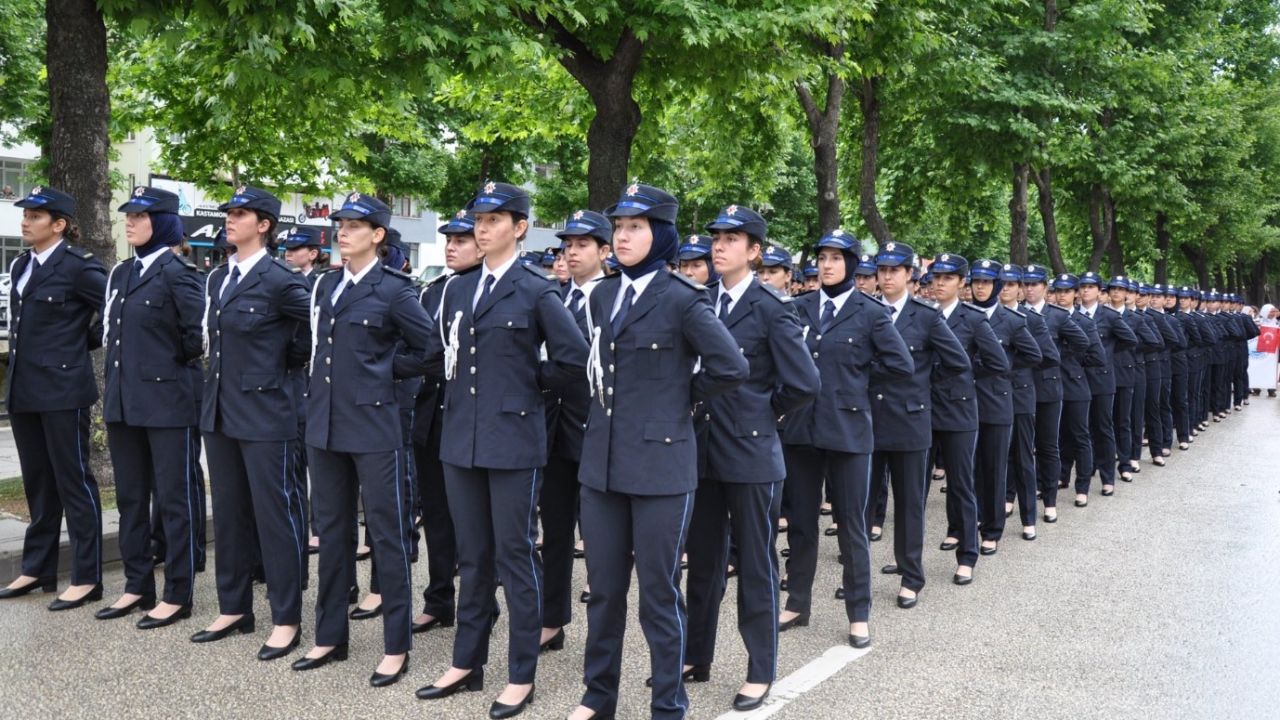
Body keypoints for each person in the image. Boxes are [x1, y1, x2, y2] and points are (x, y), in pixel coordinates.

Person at [566, 183, 747, 720]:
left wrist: (678, 400)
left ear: (660, 235)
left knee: (658, 595)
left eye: (636, 227)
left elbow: (731, 368)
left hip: (661, 468)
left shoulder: (683, 299)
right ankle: (598, 697)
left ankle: (668, 702)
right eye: (618, 227)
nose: (622, 236)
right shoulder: (601, 295)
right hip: (601, 464)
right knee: (602, 593)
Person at [416, 182, 587, 719]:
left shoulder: (536, 290)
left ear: (519, 227)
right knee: (473, 556)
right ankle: (467, 662)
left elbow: (573, 359)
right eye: (478, 220)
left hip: (513, 441)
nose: (482, 228)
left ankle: (520, 674)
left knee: (515, 557)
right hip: (461, 439)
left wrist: (529, 383)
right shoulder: (461, 289)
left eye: (494, 220)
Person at [291, 192, 434, 687]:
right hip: (326, 426)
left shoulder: (395, 290)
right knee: (331, 535)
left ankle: (397, 645)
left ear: (377, 235)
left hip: (375, 428)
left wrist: (384, 370)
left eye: (355, 225)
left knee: (387, 534)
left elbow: (431, 350)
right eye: (340, 224)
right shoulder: (326, 285)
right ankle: (330, 636)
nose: (343, 231)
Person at [683, 205, 818, 711]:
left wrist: (764, 416)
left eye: (732, 239)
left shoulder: (771, 306)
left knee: (757, 565)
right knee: (704, 563)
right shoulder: (699, 301)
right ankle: (697, 657)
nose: (719, 246)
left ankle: (761, 669)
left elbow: (804, 383)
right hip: (702, 450)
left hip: (752, 453)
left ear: (754, 251)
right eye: (716, 238)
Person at [191, 185, 312, 661]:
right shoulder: (219, 278)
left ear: (263, 224)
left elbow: (312, 334)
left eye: (240, 214)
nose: (230, 220)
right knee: (229, 513)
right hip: (220, 411)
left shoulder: (282, 279)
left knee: (274, 517)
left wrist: (281, 370)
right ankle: (234, 606)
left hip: (266, 412)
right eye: (229, 213)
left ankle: (286, 618)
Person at [777, 229, 912, 644]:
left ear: (852, 265)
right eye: (823, 257)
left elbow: (901, 364)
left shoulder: (870, 313)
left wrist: (857, 387)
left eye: (837, 258)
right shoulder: (798, 308)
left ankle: (858, 611)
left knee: (852, 524)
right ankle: (797, 601)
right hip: (801, 430)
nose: (827, 264)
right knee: (800, 522)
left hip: (849, 431)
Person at [94, 186, 204, 628]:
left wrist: (165, 368)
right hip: (124, 403)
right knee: (131, 500)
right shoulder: (121, 274)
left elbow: (195, 337)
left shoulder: (179, 273)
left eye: (140, 216)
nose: (130, 222)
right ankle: (138, 585)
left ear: (162, 223)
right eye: (129, 216)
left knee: (173, 502)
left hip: (167, 403)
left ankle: (178, 593)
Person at [0, 186, 107, 608]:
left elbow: (113, 311)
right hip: (25, 389)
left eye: (35, 215)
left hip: (64, 390)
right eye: (25, 213)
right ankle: (38, 568)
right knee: (39, 485)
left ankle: (86, 576)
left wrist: (79, 345)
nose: (25, 220)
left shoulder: (79, 266)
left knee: (74, 483)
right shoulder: (23, 263)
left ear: (59, 224)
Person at [868, 241, 968, 607]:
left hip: (910, 422)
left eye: (895, 270)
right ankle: (858, 577)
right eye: (882, 270)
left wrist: (922, 386)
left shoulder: (925, 316)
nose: (887, 276)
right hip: (870, 420)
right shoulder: (866, 310)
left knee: (909, 503)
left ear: (910, 275)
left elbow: (958, 361)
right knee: (863, 504)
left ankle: (912, 575)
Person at [539, 208, 612, 656]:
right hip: (554, 429)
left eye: (583, 244)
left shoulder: (614, 297)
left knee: (601, 536)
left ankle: (604, 634)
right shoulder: (557, 297)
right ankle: (551, 619)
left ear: (604, 251)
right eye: (568, 244)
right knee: (556, 528)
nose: (572, 251)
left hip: (597, 429)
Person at [409, 210, 480, 638]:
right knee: (436, 515)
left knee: (475, 524)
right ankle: (439, 600)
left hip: (470, 419)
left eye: (462, 239)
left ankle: (480, 604)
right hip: (432, 416)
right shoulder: (433, 292)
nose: (452, 246)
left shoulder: (487, 289)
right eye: (448, 239)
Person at [928, 253, 1007, 584]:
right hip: (924, 408)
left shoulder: (973, 319)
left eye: (948, 278)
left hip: (959, 409)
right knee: (917, 489)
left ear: (961, 283)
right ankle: (911, 561)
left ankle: (968, 554)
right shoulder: (922, 315)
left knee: (961, 483)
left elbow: (999, 362)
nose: (940, 283)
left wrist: (965, 371)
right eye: (937, 277)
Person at [967, 260, 1040, 554]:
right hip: (965, 401)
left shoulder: (1011, 320)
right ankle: (973, 520)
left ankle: (993, 529)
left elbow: (1034, 355)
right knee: (971, 468)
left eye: (987, 282)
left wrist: (1002, 368)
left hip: (997, 399)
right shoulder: (964, 316)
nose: (981, 287)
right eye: (976, 281)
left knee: (995, 467)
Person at [1020, 266, 1089, 523]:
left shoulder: (1057, 316)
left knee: (1048, 446)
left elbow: (1082, 341)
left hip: (1048, 386)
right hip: (1022, 386)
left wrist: (1059, 358)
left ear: (1044, 287)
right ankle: (1010, 496)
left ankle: (1050, 500)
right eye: (1026, 284)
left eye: (1035, 284)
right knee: (1020, 447)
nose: (1029, 288)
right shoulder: (1015, 313)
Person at [998, 264, 1057, 540]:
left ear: (1020, 288)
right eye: (1002, 283)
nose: (1006, 288)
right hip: (992, 395)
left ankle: (1029, 517)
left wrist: (1010, 364)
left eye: (1011, 284)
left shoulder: (1031, 319)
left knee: (1023, 456)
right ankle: (997, 510)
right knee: (994, 458)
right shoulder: (985, 315)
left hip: (1021, 391)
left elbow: (1049, 356)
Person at [1076, 272, 1137, 499]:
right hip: (1079, 377)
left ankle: (1108, 477)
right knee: (1083, 428)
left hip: (1102, 377)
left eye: (1091, 287)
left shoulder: (1109, 316)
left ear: (1099, 291)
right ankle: (1086, 468)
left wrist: (1106, 355)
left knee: (1103, 427)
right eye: (1082, 287)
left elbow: (1130, 339)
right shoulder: (1072, 315)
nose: (1085, 291)